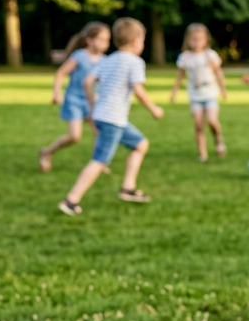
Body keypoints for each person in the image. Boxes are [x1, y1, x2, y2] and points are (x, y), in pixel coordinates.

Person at [58, 18, 163, 216]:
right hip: (113, 118)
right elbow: (138, 89)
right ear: (135, 41)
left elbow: (88, 82)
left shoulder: (110, 59)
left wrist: (93, 107)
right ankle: (71, 200)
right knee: (99, 160)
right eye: (143, 41)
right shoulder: (134, 62)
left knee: (141, 145)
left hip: (106, 116)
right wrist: (154, 109)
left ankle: (128, 188)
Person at [39, 22, 111, 172]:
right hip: (74, 100)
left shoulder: (105, 61)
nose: (106, 43)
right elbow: (60, 73)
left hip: (92, 102)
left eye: (108, 40)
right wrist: (56, 94)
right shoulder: (79, 56)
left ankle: (97, 163)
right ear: (89, 40)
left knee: (99, 132)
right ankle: (47, 152)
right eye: (102, 39)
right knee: (75, 136)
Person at [170, 23, 228, 162]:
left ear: (206, 40)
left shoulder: (210, 55)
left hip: (210, 93)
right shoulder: (185, 57)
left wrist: (223, 89)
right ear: (188, 40)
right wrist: (174, 92)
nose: (196, 42)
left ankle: (218, 140)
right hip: (195, 95)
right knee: (198, 124)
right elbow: (180, 76)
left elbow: (218, 73)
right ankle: (203, 153)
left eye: (200, 39)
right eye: (193, 39)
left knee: (212, 121)